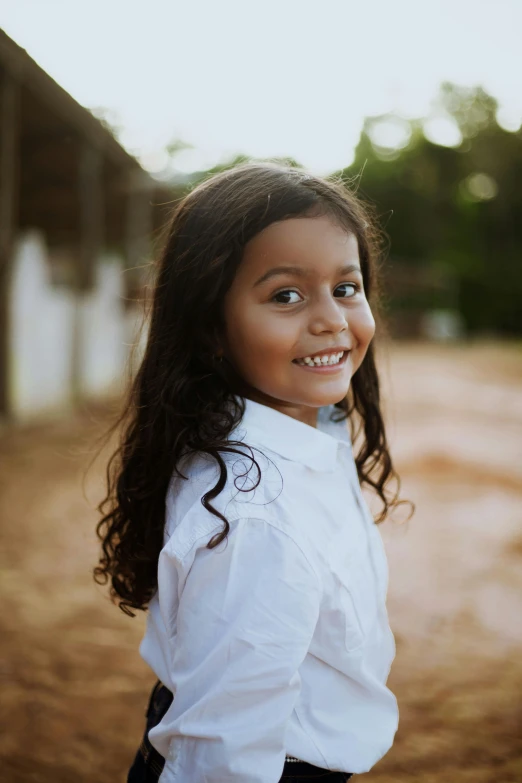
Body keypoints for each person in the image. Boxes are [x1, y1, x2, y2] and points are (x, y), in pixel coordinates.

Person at [93, 162, 411, 782]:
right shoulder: (255, 517)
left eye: (346, 288)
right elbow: (224, 755)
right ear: (212, 327)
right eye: (286, 295)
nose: (331, 320)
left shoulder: (309, 426)